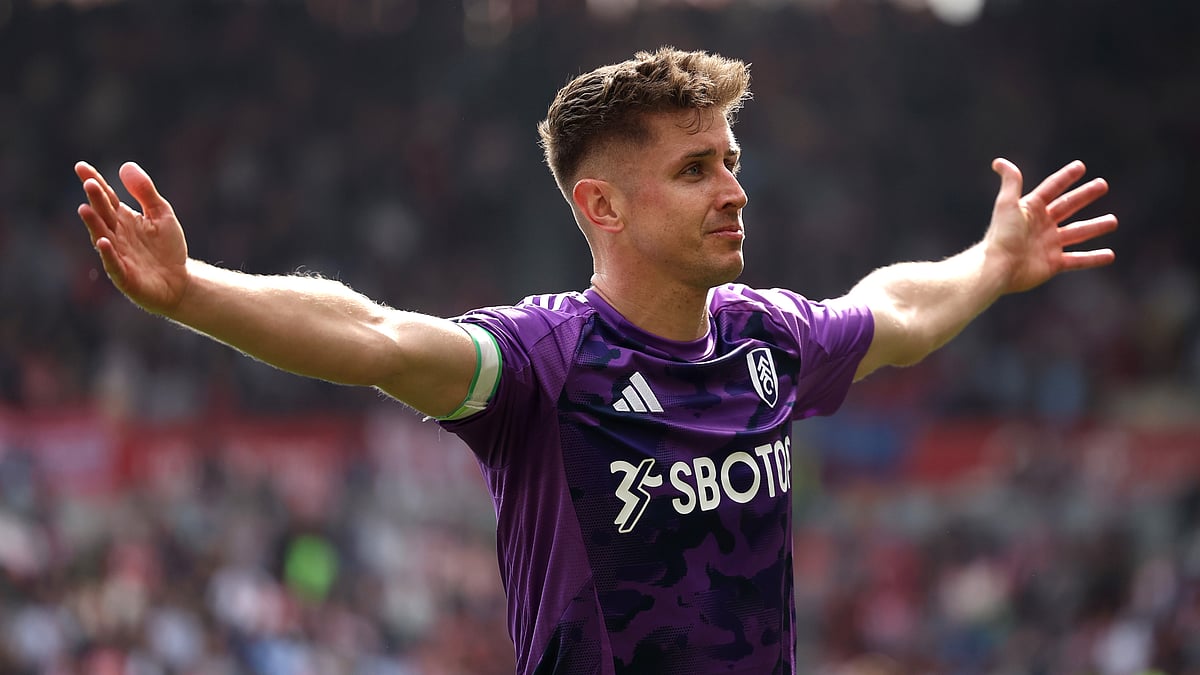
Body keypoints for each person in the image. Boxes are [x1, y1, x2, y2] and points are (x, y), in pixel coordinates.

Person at [75, 47, 1117, 674]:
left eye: (733, 163)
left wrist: (989, 262)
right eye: (697, 168)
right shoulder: (544, 363)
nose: (734, 191)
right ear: (602, 205)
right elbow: (378, 336)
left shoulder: (766, 340)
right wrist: (194, 290)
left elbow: (892, 311)